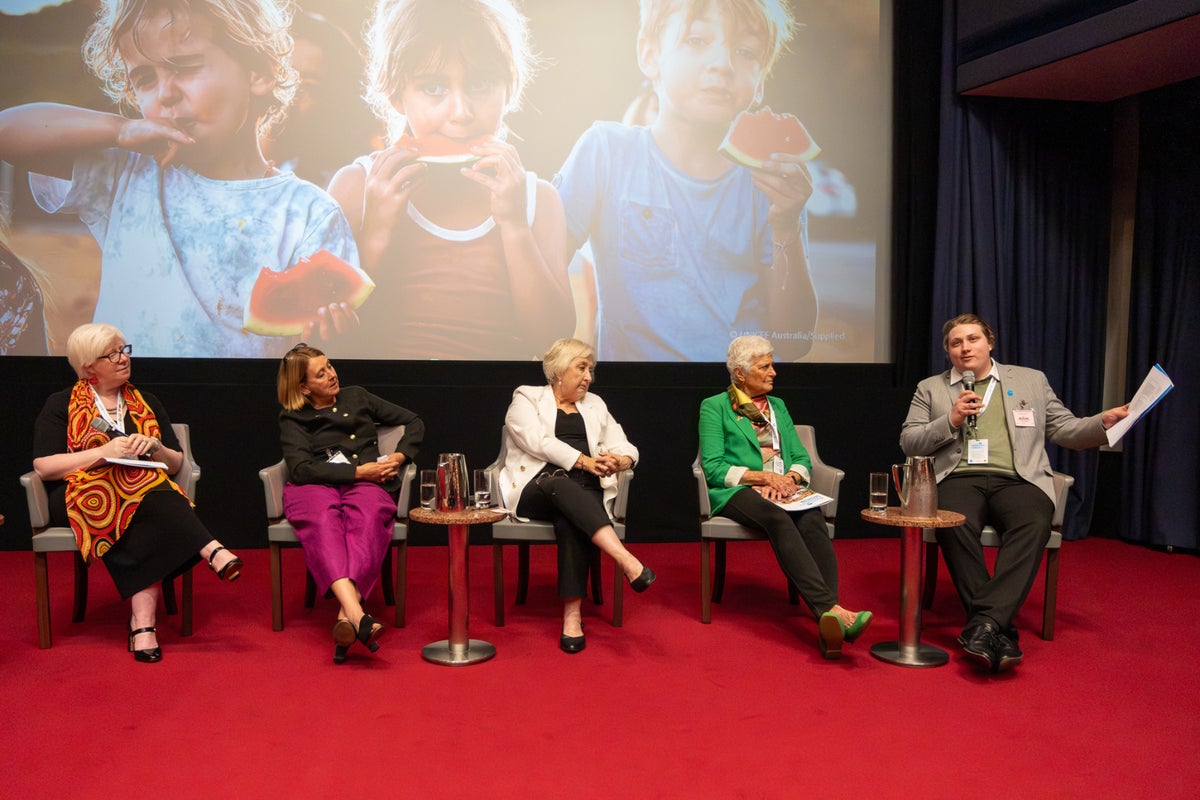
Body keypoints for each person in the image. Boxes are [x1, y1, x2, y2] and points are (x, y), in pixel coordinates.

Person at [0, 0, 360, 357]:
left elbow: (315, 349)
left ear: (259, 73)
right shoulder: (127, 174)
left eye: (185, 67)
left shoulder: (311, 212)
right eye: (144, 78)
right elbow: (7, 132)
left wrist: (331, 335)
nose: (165, 94)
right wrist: (120, 129)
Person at [555, 0, 817, 362]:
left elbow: (795, 340)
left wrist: (786, 227)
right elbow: (544, 279)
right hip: (637, 399)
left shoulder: (768, 181)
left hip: (736, 402)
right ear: (649, 55)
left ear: (760, 83)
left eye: (744, 51)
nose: (723, 65)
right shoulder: (605, 153)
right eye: (696, 41)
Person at [328, 0, 573, 360]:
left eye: (481, 83)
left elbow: (551, 341)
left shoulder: (539, 200)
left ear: (510, 88)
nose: (461, 112)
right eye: (433, 88)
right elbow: (327, 339)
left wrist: (515, 224)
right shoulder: (355, 188)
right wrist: (376, 230)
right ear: (396, 94)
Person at [900, 313, 1130, 672]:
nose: (965, 348)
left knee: (1034, 522)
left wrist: (1102, 423)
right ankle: (997, 627)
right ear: (947, 352)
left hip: (1019, 478)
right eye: (956, 343)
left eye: (972, 339)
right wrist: (951, 420)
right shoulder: (931, 388)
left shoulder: (1030, 380)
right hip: (959, 477)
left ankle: (983, 624)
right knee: (954, 522)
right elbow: (909, 441)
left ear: (990, 343)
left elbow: (1066, 429)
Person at [31, 323, 244, 663]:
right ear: (89, 367)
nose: (123, 359)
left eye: (124, 349)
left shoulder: (146, 401)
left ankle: (143, 624)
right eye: (112, 354)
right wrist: (103, 453)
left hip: (144, 496)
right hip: (81, 496)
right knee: (141, 489)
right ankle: (210, 548)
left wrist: (156, 446)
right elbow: (45, 466)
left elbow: (175, 464)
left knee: (143, 493)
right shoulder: (61, 404)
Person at [699, 335, 871, 659]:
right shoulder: (714, 407)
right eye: (765, 366)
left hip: (782, 488)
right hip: (738, 490)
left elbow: (801, 459)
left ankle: (829, 621)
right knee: (778, 518)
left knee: (812, 518)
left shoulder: (778, 407)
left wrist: (789, 479)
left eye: (772, 364)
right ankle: (829, 610)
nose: (774, 372)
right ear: (739, 373)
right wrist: (763, 477)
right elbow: (713, 467)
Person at [498, 338, 655, 653]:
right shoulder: (526, 397)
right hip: (537, 487)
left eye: (591, 370)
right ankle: (625, 559)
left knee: (570, 516)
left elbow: (625, 444)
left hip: (586, 490)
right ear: (558, 371)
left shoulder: (595, 404)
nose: (589, 377)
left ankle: (572, 617)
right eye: (582, 368)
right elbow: (537, 441)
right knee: (561, 485)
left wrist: (620, 460)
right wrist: (583, 460)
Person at [277, 344, 424, 663]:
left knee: (370, 518)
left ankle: (348, 617)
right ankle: (358, 615)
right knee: (323, 525)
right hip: (315, 485)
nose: (331, 375)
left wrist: (398, 457)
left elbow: (413, 422)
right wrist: (358, 471)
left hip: (368, 482)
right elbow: (301, 469)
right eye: (321, 373)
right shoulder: (293, 416)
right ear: (303, 387)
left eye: (329, 366)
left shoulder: (357, 395)